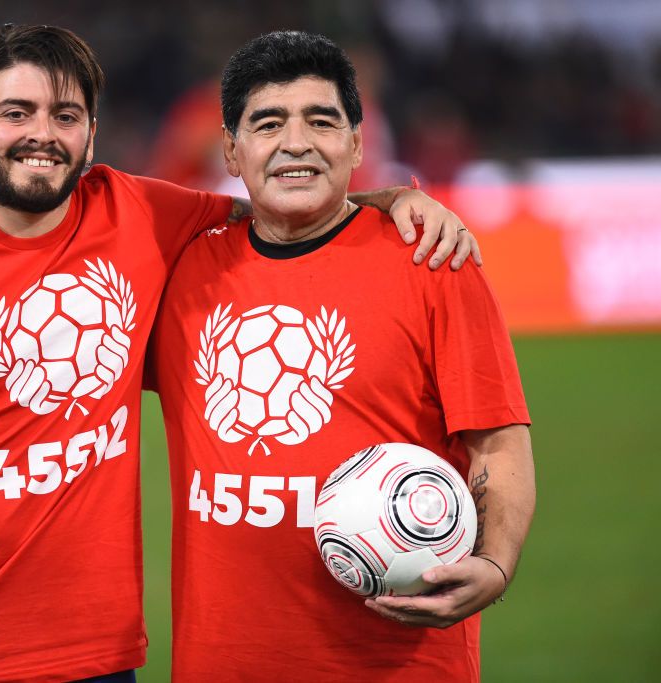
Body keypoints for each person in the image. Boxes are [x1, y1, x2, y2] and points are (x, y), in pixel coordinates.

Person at [0, 25, 478, 683]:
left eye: (66, 115)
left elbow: (283, 201)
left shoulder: (139, 214)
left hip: (97, 658)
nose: (42, 134)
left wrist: (386, 203)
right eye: (16, 113)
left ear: (92, 135)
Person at [145, 31, 535, 680]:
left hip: (398, 663)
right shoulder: (183, 268)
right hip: (223, 664)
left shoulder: (432, 261)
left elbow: (497, 438)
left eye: (321, 121)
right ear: (232, 153)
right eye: (268, 123)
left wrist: (494, 563)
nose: (296, 142)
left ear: (357, 143)